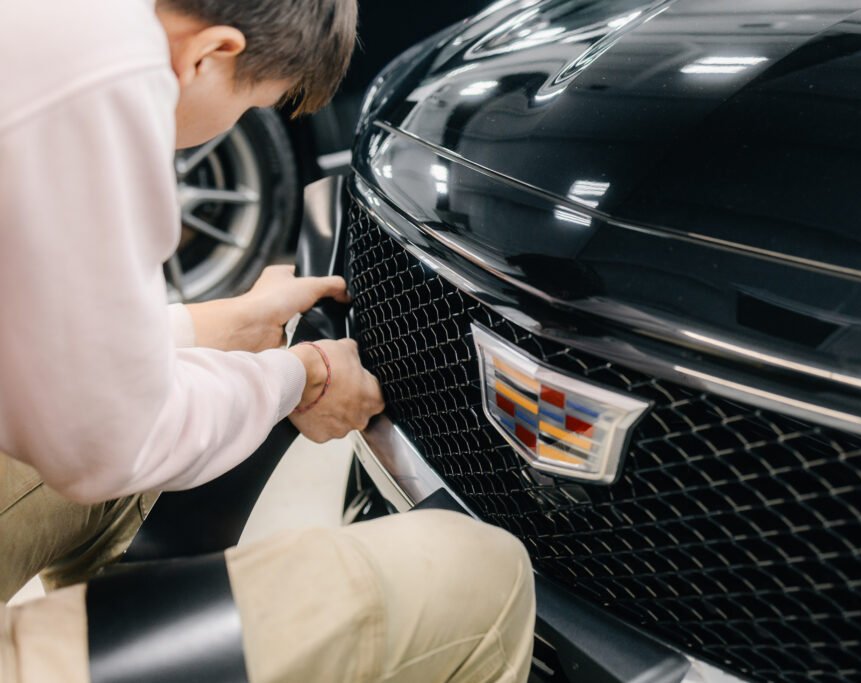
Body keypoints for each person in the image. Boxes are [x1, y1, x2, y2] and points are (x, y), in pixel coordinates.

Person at [0, 0, 535, 681]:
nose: (237, 124)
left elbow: (39, 357)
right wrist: (300, 377)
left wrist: (202, 329)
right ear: (210, 53)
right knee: (482, 575)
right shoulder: (105, 78)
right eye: (256, 103)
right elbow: (114, 443)